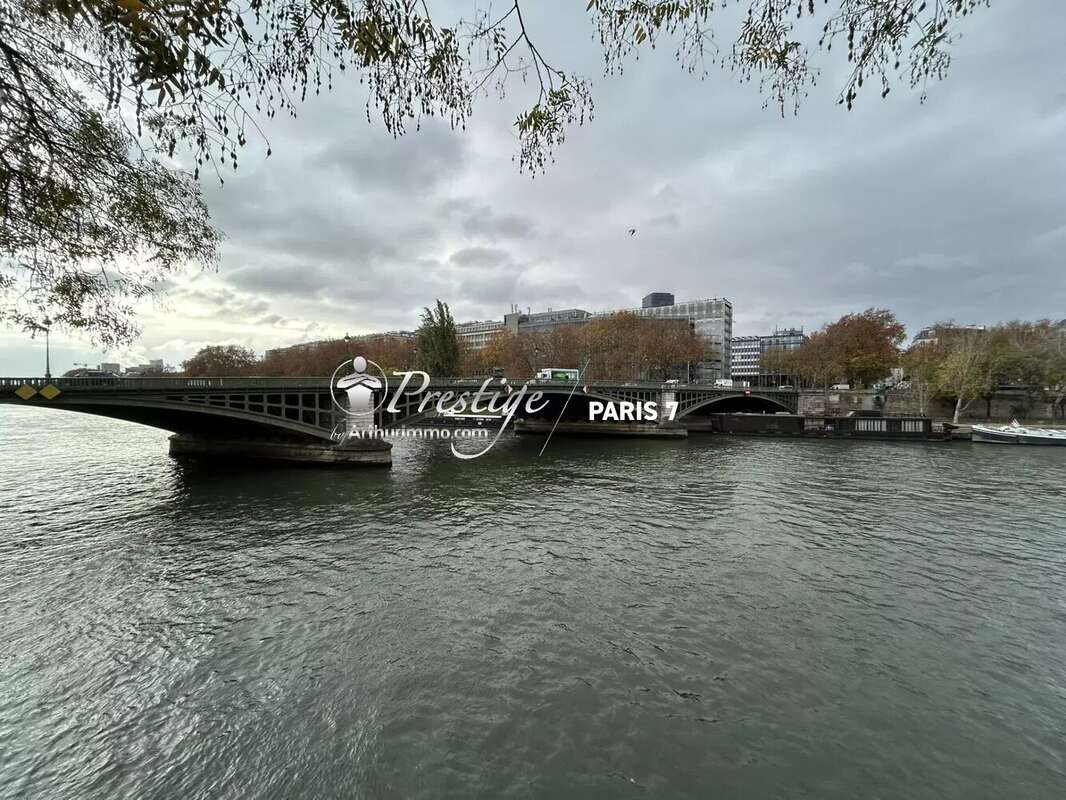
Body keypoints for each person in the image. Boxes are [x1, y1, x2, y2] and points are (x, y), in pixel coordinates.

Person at [336, 356, 382, 434]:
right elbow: (340, 384)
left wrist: (360, 379)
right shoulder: (367, 378)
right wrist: (362, 379)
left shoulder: (365, 378)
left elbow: (378, 384)